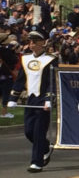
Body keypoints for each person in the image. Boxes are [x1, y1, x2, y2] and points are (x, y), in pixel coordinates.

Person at [7, 28, 57, 173]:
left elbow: (51, 82)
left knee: (38, 132)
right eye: (30, 41)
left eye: (35, 41)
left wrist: (49, 99)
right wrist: (13, 97)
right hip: (31, 99)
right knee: (29, 131)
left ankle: (37, 162)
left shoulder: (50, 60)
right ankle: (45, 147)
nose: (32, 44)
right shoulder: (26, 59)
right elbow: (20, 80)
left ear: (43, 43)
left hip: (43, 100)